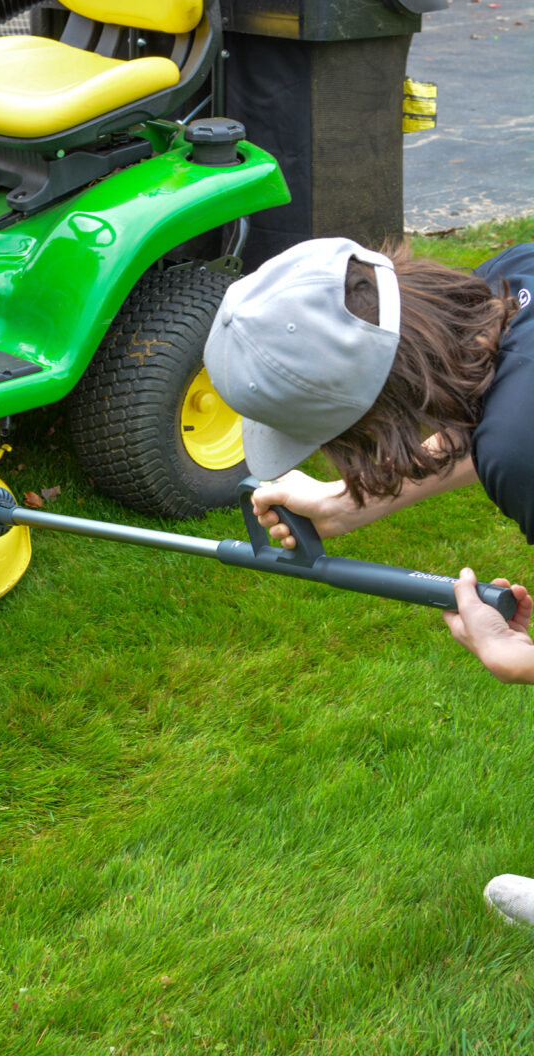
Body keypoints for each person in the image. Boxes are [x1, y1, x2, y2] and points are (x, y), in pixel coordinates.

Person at [204, 235, 534, 925]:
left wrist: (513, 658)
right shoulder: (510, 280)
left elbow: (506, 438)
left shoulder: (521, 449)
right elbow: (491, 419)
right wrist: (342, 504)